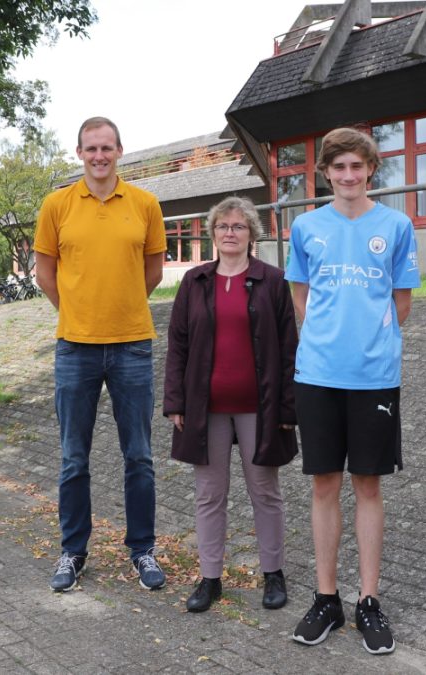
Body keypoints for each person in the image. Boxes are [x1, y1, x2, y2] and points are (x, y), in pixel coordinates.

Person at [285, 127, 420, 655]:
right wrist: (329, 338)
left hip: (374, 377)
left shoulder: (397, 225)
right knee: (323, 485)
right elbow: (301, 296)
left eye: (356, 167)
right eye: (338, 167)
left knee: (368, 486)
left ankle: (368, 601)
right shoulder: (305, 226)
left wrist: (367, 338)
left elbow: (401, 303)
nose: (348, 176)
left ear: (370, 169)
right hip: (317, 375)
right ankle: (326, 599)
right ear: (325, 173)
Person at [33, 116, 168, 593]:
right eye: (91, 148)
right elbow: (44, 272)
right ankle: (73, 552)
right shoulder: (57, 205)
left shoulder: (146, 204)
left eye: (106, 148)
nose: (99, 156)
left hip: (132, 344)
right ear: (79, 152)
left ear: (119, 150)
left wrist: (124, 306)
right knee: (74, 458)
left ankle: (143, 550)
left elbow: (153, 270)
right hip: (75, 347)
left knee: (140, 457)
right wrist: (77, 312)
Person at [162, 196, 299, 613]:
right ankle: (210, 579)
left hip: (261, 406)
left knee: (265, 491)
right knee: (209, 494)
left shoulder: (273, 280)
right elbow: (178, 343)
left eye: (239, 226)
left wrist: (289, 410)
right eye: (223, 226)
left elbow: (290, 347)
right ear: (213, 233)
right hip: (206, 408)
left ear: (251, 233)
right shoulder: (195, 281)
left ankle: (273, 574)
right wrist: (175, 401)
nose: (230, 233)